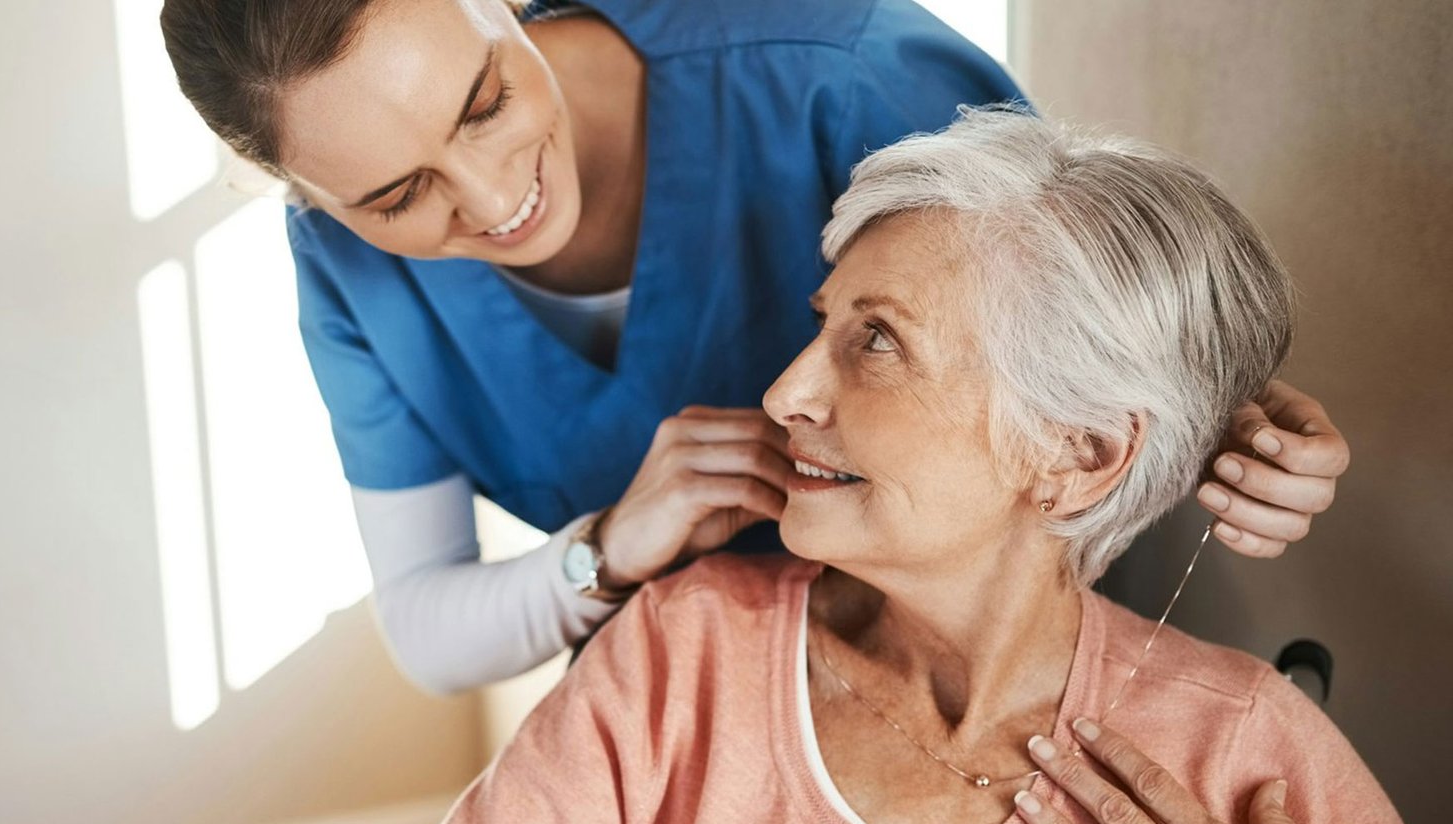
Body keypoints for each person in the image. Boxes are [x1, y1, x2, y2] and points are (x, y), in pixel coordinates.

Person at [371, 109, 1434, 824]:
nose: (786, 390)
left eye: (875, 341)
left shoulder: (1250, 752)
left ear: (1076, 453)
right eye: (824, 321)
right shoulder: (679, 654)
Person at [161, 0, 1352, 695]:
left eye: (482, 102)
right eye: (396, 192)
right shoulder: (344, 273)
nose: (490, 197)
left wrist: (1207, 409)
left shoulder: (840, 73)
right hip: (704, 703)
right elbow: (425, 625)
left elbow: (1088, 306)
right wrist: (607, 555)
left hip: (999, 675)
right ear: (309, 200)